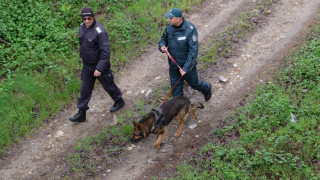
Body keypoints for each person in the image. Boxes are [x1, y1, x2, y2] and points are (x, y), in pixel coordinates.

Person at [69, 7, 125, 122]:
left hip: (100, 66)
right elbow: (82, 45)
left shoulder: (100, 31)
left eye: (89, 18)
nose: (87, 21)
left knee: (108, 85)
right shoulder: (81, 27)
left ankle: (119, 100)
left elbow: (105, 52)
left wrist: (99, 68)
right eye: (84, 18)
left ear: (93, 17)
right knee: (84, 89)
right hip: (87, 66)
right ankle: (81, 113)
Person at [158, 8, 212, 101]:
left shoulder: (190, 30)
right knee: (176, 91)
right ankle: (179, 110)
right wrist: (162, 46)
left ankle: (207, 88)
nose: (168, 20)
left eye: (171, 18)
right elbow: (163, 39)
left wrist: (185, 68)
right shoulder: (169, 27)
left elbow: (193, 52)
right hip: (174, 66)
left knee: (194, 84)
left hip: (187, 67)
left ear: (178, 18)